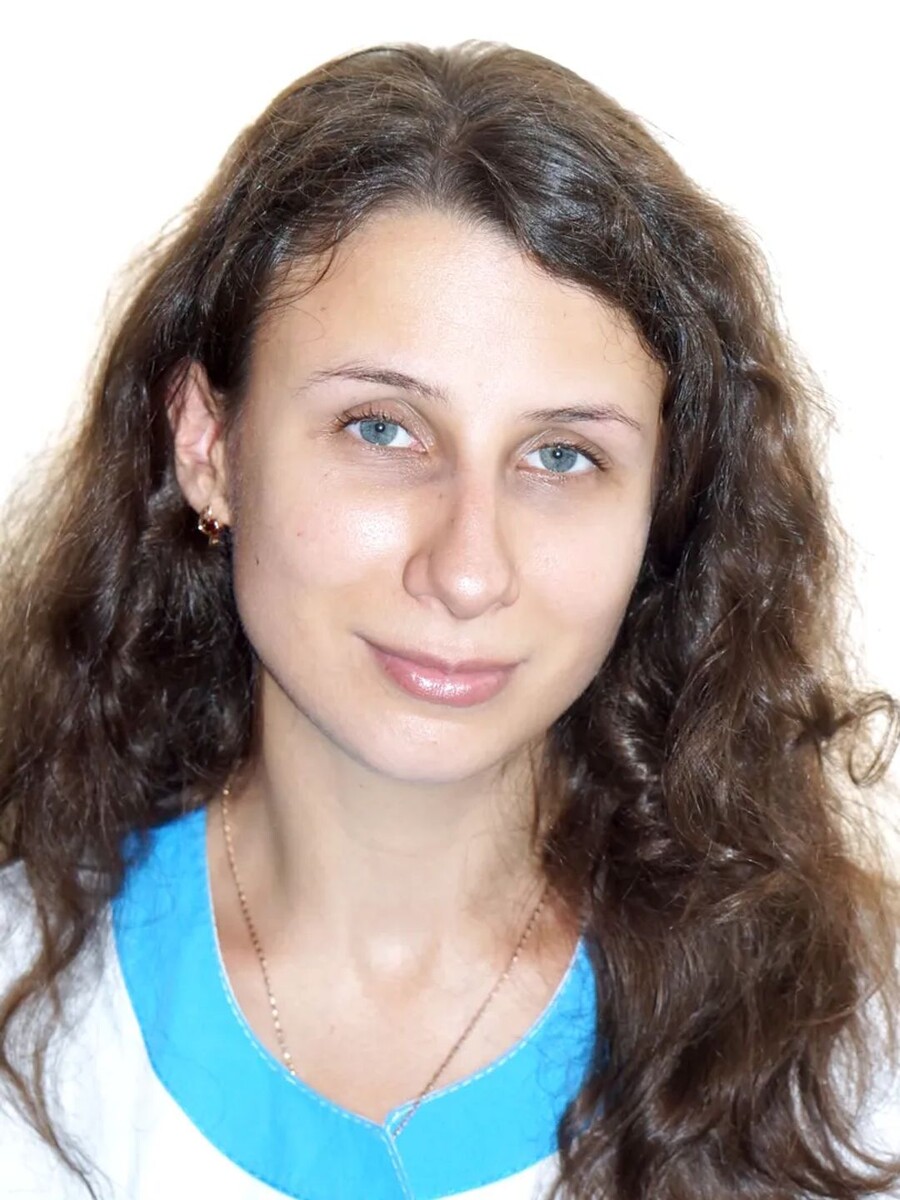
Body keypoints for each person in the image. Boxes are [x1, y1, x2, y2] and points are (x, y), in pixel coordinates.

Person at [0, 39, 898, 1200]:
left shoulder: (852, 1054)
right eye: (381, 429)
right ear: (208, 445)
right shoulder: (24, 1014)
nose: (468, 571)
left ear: (662, 511)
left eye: (562, 455)